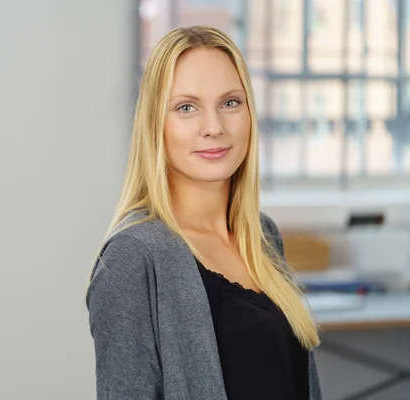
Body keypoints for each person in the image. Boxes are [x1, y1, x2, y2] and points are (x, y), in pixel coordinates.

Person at [85, 25, 322, 400]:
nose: (214, 127)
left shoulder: (262, 235)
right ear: (155, 126)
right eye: (186, 107)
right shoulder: (133, 259)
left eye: (230, 102)